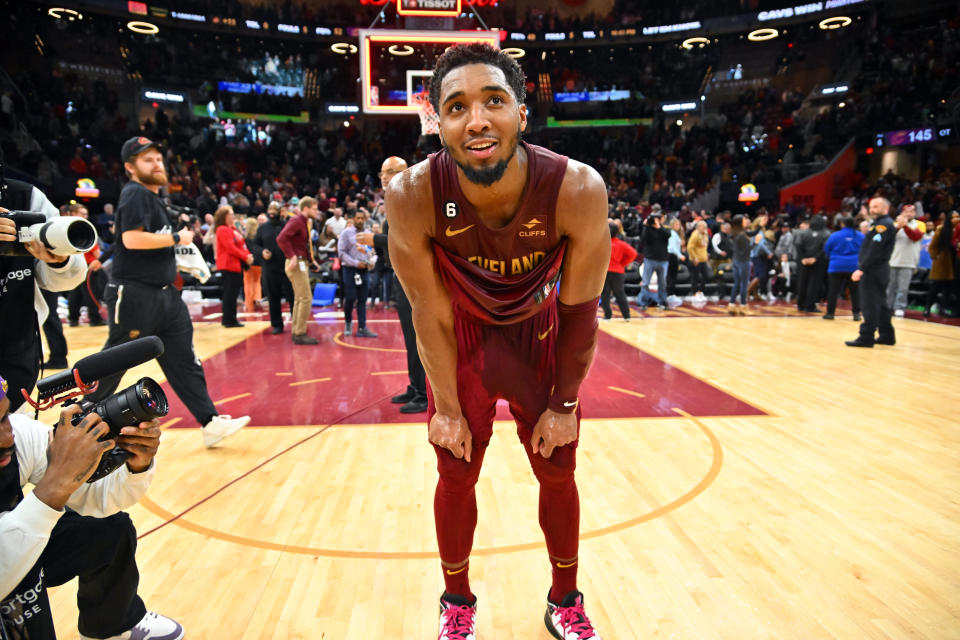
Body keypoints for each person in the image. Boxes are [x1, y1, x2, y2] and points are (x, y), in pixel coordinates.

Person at [387, 43, 608, 640]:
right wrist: (447, 409)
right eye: (456, 106)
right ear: (438, 122)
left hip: (541, 338)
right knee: (454, 473)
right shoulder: (409, 195)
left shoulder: (578, 188)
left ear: (521, 114)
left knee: (559, 473)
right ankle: (456, 602)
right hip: (462, 347)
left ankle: (565, 599)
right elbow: (428, 313)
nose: (477, 119)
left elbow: (582, 314)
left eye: (494, 101)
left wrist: (565, 405)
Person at [85, 137, 250, 447]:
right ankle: (79, 417)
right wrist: (177, 237)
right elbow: (132, 240)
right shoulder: (134, 194)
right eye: (147, 160)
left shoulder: (153, 198)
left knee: (184, 360)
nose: (156, 163)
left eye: (158, 158)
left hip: (164, 295)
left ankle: (210, 422)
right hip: (135, 294)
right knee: (114, 361)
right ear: (130, 168)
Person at [0, 374, 183, 640]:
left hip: (14, 550)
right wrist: (56, 483)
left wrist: (137, 463)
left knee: (108, 530)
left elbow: (97, 499)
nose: (7, 437)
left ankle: (111, 626)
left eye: (4, 418)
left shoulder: (21, 435)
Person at [0, 176, 86, 409]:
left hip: (15, 350)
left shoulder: (27, 196)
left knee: (14, 436)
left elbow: (74, 273)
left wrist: (59, 261)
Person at [372, 156, 428, 414]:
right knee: (409, 338)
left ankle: (425, 394)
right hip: (400, 277)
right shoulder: (395, 200)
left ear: (405, 173)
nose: (385, 176)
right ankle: (415, 386)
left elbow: (409, 241)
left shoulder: (411, 200)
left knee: (420, 339)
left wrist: (374, 239)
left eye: (391, 171)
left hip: (416, 280)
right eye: (383, 172)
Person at [846, 197, 897, 347]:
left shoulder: (883, 226)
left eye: (876, 207)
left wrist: (861, 269)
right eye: (871, 207)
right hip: (878, 270)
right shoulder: (881, 224)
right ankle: (887, 335)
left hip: (873, 270)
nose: (872, 209)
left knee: (870, 304)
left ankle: (866, 336)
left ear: (885, 209)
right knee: (880, 304)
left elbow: (874, 250)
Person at [276, 195, 321, 345]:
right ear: (306, 208)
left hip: (301, 262)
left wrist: (311, 260)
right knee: (306, 298)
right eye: (314, 209)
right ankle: (300, 332)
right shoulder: (296, 221)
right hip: (296, 263)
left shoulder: (304, 222)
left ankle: (297, 330)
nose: (316, 211)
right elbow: (281, 238)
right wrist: (292, 256)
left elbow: (302, 244)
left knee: (299, 298)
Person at [251, 201, 295, 334]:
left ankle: (297, 324)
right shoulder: (263, 228)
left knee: (292, 296)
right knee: (273, 297)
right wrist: (262, 252)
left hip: (287, 266)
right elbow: (255, 245)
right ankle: (277, 324)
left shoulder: (287, 225)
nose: (272, 212)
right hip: (270, 267)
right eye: (270, 209)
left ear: (280, 211)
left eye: (275, 209)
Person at [337, 208, 377, 338]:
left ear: (365, 219)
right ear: (353, 219)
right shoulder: (346, 233)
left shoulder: (368, 233)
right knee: (350, 297)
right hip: (350, 269)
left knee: (362, 299)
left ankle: (362, 327)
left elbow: (372, 251)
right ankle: (348, 322)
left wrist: (371, 260)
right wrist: (355, 263)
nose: (360, 220)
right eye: (357, 218)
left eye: (362, 218)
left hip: (364, 269)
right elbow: (341, 253)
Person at [213, 205, 254, 328]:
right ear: (224, 216)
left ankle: (231, 318)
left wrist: (248, 256)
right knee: (229, 293)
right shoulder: (222, 229)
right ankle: (228, 320)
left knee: (234, 293)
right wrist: (245, 257)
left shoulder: (233, 229)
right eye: (230, 214)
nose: (232, 216)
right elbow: (230, 248)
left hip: (237, 265)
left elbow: (242, 245)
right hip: (228, 265)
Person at [65, 204, 105, 327]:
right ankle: (95, 319)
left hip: (73, 264)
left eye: (86, 214)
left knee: (75, 292)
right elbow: (95, 249)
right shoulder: (82, 227)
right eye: (82, 213)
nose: (85, 216)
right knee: (90, 292)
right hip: (87, 264)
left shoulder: (65, 226)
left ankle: (73, 318)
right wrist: (99, 259)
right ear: (73, 213)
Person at [886, 204, 925, 317]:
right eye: (906, 211)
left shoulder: (920, 224)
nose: (909, 214)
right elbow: (888, 238)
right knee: (890, 287)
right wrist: (898, 226)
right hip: (893, 260)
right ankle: (888, 306)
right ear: (902, 212)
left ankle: (900, 307)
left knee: (903, 287)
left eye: (911, 211)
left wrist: (905, 226)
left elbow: (916, 236)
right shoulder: (894, 224)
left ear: (915, 213)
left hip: (909, 261)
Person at [822, 216, 863, 320]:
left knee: (833, 291)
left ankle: (830, 313)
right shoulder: (860, 235)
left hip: (836, 266)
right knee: (855, 291)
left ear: (842, 224)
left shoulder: (835, 235)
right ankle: (856, 314)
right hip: (854, 267)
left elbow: (827, 249)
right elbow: (865, 249)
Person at [601, 220, 637, 321]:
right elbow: (633, 253)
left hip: (605, 271)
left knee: (605, 294)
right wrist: (623, 263)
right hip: (618, 272)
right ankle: (627, 316)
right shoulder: (621, 244)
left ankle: (607, 315)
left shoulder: (602, 243)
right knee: (620, 294)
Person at [796, 215, 830, 312]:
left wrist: (803, 258)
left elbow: (798, 245)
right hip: (818, 262)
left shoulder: (803, 233)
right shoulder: (826, 233)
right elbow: (825, 248)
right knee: (814, 284)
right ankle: (810, 306)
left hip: (803, 262)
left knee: (802, 282)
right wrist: (815, 258)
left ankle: (800, 304)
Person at [924, 212, 955, 318]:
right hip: (941, 262)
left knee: (948, 289)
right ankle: (927, 308)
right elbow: (932, 246)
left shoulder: (957, 230)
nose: (956, 219)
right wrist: (935, 257)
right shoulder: (941, 229)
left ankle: (943, 309)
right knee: (935, 286)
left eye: (958, 217)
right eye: (953, 218)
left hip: (954, 262)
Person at [637, 210, 670, 309]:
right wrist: (646, 226)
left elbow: (668, 235)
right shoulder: (647, 230)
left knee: (662, 283)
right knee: (646, 282)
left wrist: (659, 226)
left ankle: (662, 302)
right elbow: (643, 239)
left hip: (663, 260)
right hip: (650, 259)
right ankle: (643, 303)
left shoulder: (664, 229)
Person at [728, 214, 751, 315]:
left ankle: (732, 305)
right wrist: (756, 243)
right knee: (744, 284)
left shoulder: (735, 233)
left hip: (736, 260)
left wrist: (759, 226)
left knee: (737, 283)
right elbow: (747, 251)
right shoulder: (742, 235)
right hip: (743, 261)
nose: (746, 220)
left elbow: (752, 232)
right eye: (744, 219)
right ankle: (743, 305)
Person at [686, 220, 710, 301]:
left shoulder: (705, 234)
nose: (703, 228)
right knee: (695, 277)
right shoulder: (695, 235)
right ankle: (694, 293)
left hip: (703, 259)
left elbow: (704, 247)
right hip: (696, 259)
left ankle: (700, 291)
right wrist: (694, 257)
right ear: (698, 227)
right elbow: (689, 247)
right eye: (701, 226)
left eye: (704, 227)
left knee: (706, 276)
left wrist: (706, 255)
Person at [242, 217, 263, 313]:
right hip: (259, 263)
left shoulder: (244, 238)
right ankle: (257, 298)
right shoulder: (258, 237)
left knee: (248, 282)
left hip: (249, 262)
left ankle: (249, 302)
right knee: (257, 281)